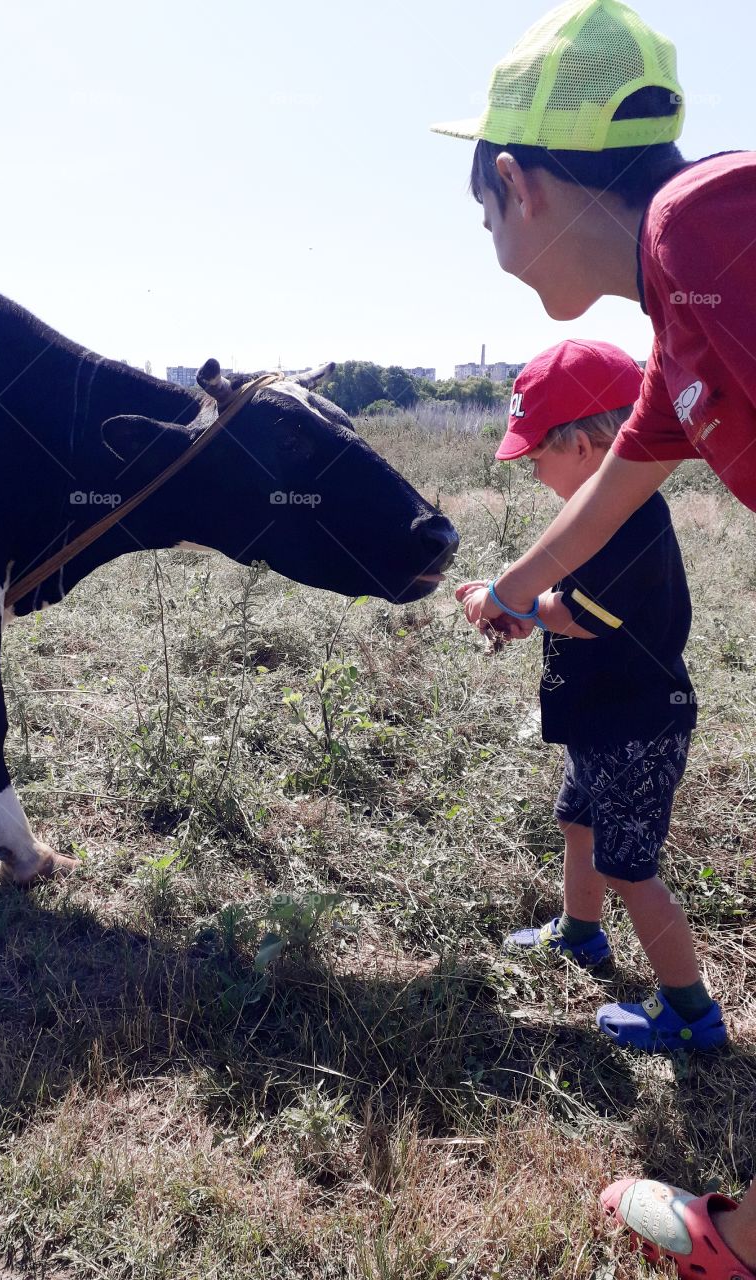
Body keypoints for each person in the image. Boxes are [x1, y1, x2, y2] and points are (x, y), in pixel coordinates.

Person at [429, 0, 756, 1275]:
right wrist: (510, 586)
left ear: (516, 183)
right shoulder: (685, 325)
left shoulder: (700, 225)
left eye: (485, 213)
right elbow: (608, 490)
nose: (494, 242)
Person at [457, 339, 725, 1051]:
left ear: (580, 444)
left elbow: (575, 613)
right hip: (603, 718)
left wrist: (507, 604)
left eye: (535, 457)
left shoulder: (625, 522)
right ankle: (580, 934)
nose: (532, 472)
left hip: (636, 726)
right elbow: (566, 603)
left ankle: (691, 1013)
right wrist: (520, 607)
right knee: (578, 821)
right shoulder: (601, 514)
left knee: (631, 869)